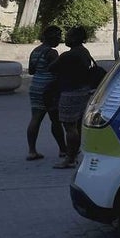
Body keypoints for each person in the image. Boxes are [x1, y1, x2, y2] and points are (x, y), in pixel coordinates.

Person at [48, 26, 97, 168]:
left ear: (75, 38)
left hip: (70, 92)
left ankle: (69, 158)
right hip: (84, 91)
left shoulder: (68, 55)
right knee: (77, 125)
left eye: (69, 36)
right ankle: (75, 153)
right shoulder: (84, 52)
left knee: (69, 127)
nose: (66, 38)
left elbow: (51, 67)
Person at [25, 26, 68, 161]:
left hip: (35, 87)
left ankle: (32, 151)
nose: (59, 39)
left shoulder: (35, 51)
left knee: (35, 118)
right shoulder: (52, 53)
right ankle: (63, 150)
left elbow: (31, 71)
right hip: (49, 89)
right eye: (58, 36)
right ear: (51, 37)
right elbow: (57, 70)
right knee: (55, 120)